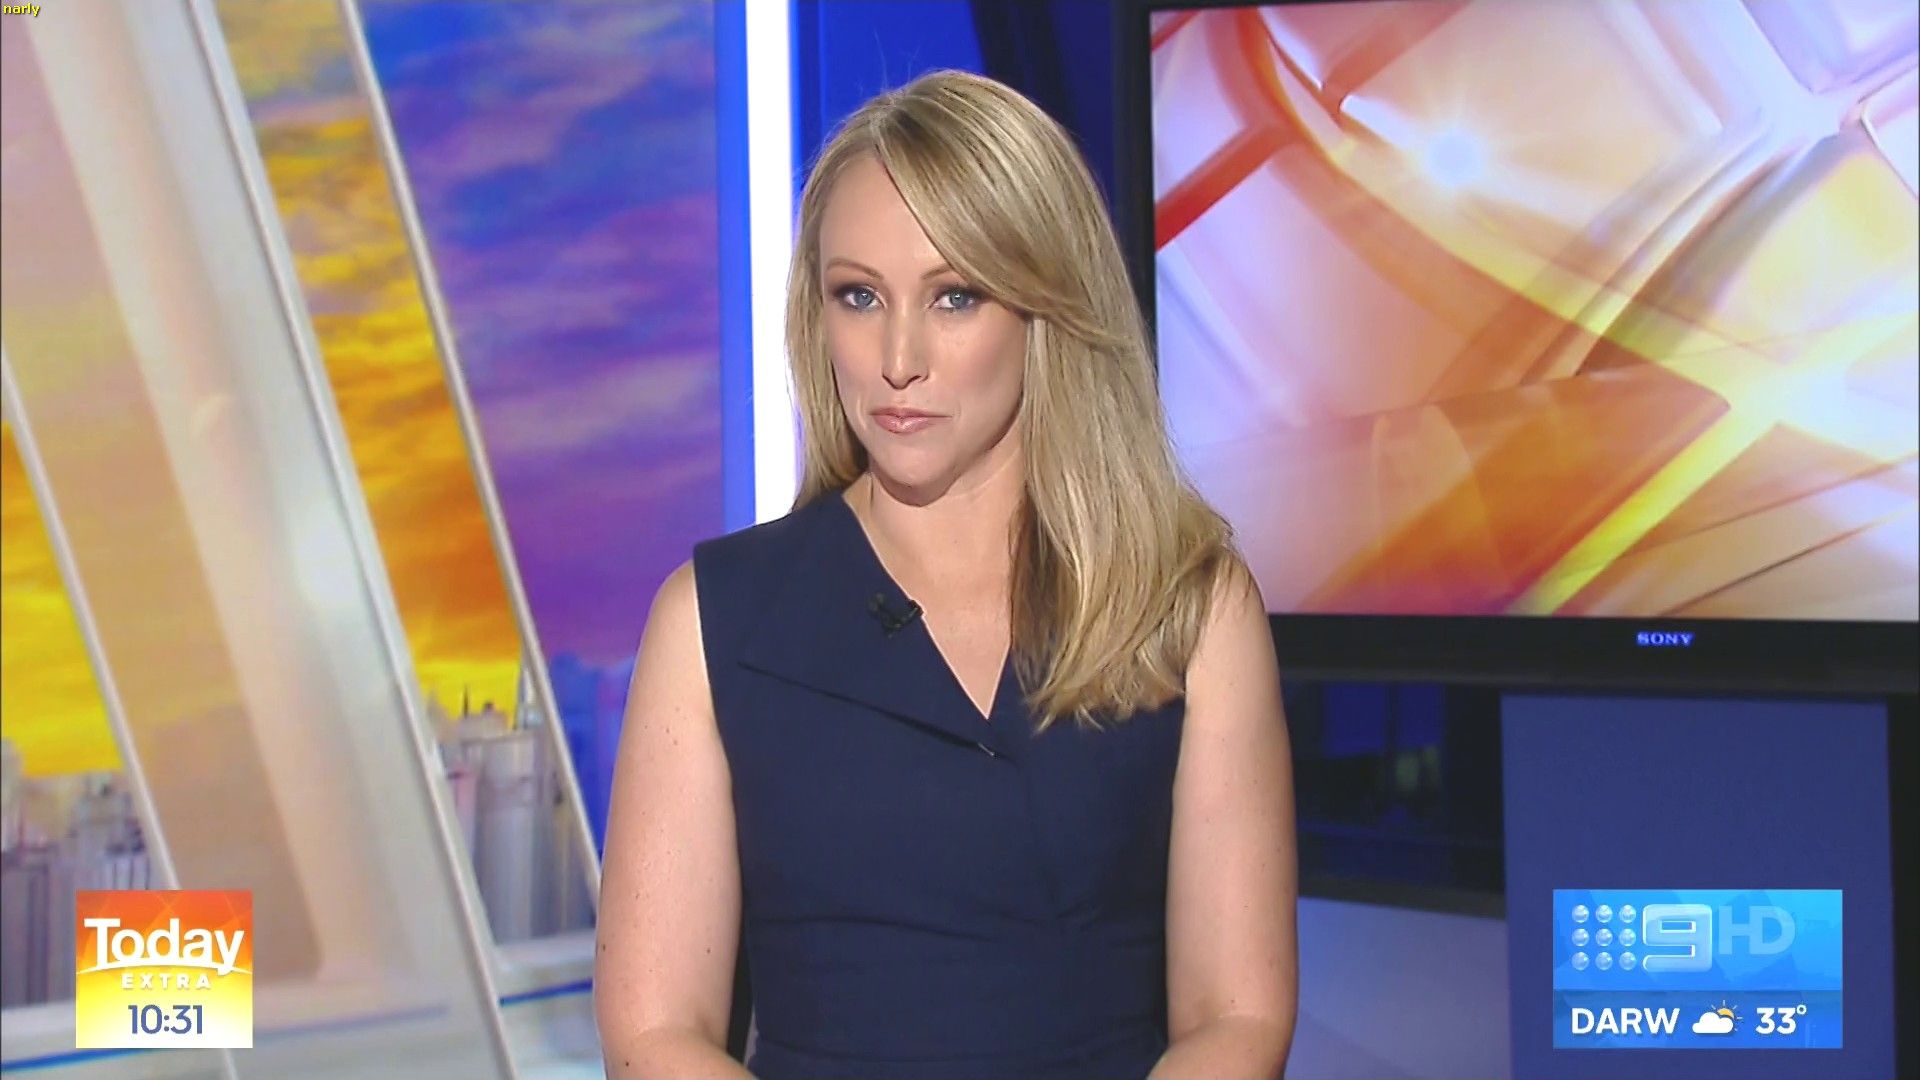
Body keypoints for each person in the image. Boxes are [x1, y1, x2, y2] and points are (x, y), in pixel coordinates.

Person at [594, 69, 1297, 1080]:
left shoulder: (1186, 608)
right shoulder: (714, 621)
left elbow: (1237, 1017)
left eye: (954, 296)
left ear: (1046, 307)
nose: (898, 357)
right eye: (859, 296)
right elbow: (654, 1034)